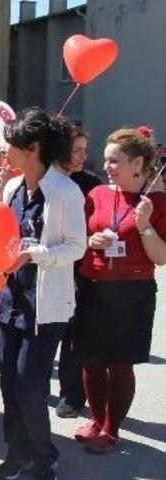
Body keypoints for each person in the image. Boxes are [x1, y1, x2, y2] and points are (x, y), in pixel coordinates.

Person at [0, 107, 86, 480]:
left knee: (30, 385)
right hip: (9, 299)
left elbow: (76, 247)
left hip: (45, 305)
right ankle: (16, 451)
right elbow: (5, 235)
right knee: (9, 384)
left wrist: (35, 255)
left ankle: (44, 456)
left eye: (10, 145)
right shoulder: (12, 187)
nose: (4, 151)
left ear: (32, 148)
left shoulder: (66, 192)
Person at [73, 127, 166, 454]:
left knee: (120, 363)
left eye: (114, 161)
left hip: (132, 293)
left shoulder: (156, 202)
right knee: (92, 360)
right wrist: (90, 241)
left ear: (137, 163)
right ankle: (96, 420)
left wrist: (144, 226)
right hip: (92, 286)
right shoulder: (97, 194)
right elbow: (78, 238)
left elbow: (161, 257)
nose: (106, 167)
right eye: (106, 160)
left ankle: (111, 429)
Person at [54, 124, 102, 419]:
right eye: (77, 150)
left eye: (85, 149)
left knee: (73, 335)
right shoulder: (44, 180)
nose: (83, 156)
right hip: (47, 266)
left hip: (79, 270)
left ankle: (71, 394)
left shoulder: (91, 183)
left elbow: (100, 223)